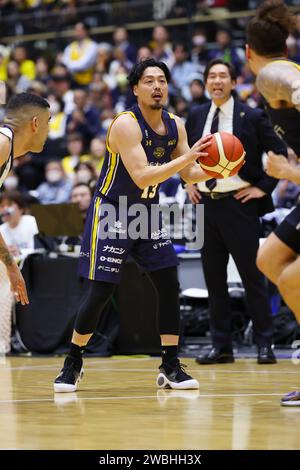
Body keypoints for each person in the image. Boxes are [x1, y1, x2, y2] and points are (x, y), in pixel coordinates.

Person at [54, 58, 214, 393]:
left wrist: (221, 168)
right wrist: (188, 159)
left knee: (169, 283)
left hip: (148, 212)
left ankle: (170, 365)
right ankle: (73, 362)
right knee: (101, 291)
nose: (157, 87)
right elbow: (142, 175)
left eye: (162, 81)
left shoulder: (176, 125)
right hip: (113, 211)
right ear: (135, 89)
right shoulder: (125, 124)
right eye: (149, 81)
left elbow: (190, 174)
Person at [185, 58, 287, 365]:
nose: (217, 81)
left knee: (252, 278)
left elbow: (279, 154)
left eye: (223, 76)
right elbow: (183, 156)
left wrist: (263, 187)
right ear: (206, 83)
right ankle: (222, 347)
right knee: (213, 281)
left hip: (239, 205)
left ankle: (264, 344)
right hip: (204, 207)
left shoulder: (251, 115)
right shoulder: (196, 115)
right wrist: (185, 181)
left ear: (233, 82)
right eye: (212, 76)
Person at [246, 0, 300, 405]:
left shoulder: (270, 74)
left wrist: (287, 173)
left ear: (248, 53)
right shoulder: (279, 75)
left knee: (293, 279)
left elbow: (292, 82)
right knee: (269, 258)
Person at [0, 92, 50, 306]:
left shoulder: (6, 148)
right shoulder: (2, 143)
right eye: (48, 123)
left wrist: (10, 266)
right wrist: (10, 266)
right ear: (35, 123)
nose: (49, 131)